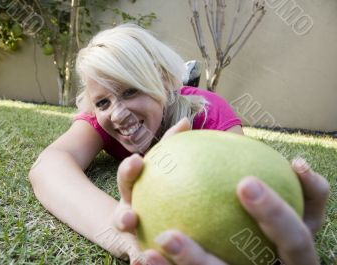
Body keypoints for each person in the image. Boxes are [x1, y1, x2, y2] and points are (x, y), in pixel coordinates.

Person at [28, 24, 329, 264]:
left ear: (163, 82)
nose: (118, 114)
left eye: (131, 91)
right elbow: (49, 167)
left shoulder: (208, 112)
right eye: (103, 100)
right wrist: (127, 238)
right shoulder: (100, 118)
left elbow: (241, 193)